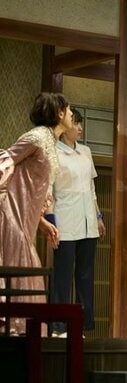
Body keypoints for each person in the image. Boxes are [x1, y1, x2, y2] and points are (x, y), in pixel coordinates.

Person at [0, 92, 68, 335]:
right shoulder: (36, 137)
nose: (71, 115)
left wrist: (42, 222)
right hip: (12, 211)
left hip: (26, 215)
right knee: (15, 258)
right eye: (69, 110)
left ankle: (21, 328)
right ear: (59, 112)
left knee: (24, 258)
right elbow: (7, 158)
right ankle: (12, 327)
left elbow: (38, 186)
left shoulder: (50, 141)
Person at [48, 110, 106, 337]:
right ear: (64, 127)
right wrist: (50, 221)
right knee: (63, 276)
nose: (80, 128)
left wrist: (99, 217)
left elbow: (91, 189)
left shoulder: (86, 151)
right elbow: (49, 190)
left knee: (85, 276)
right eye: (76, 123)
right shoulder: (54, 151)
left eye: (81, 124)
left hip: (88, 221)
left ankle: (82, 325)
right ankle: (58, 326)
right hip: (65, 220)